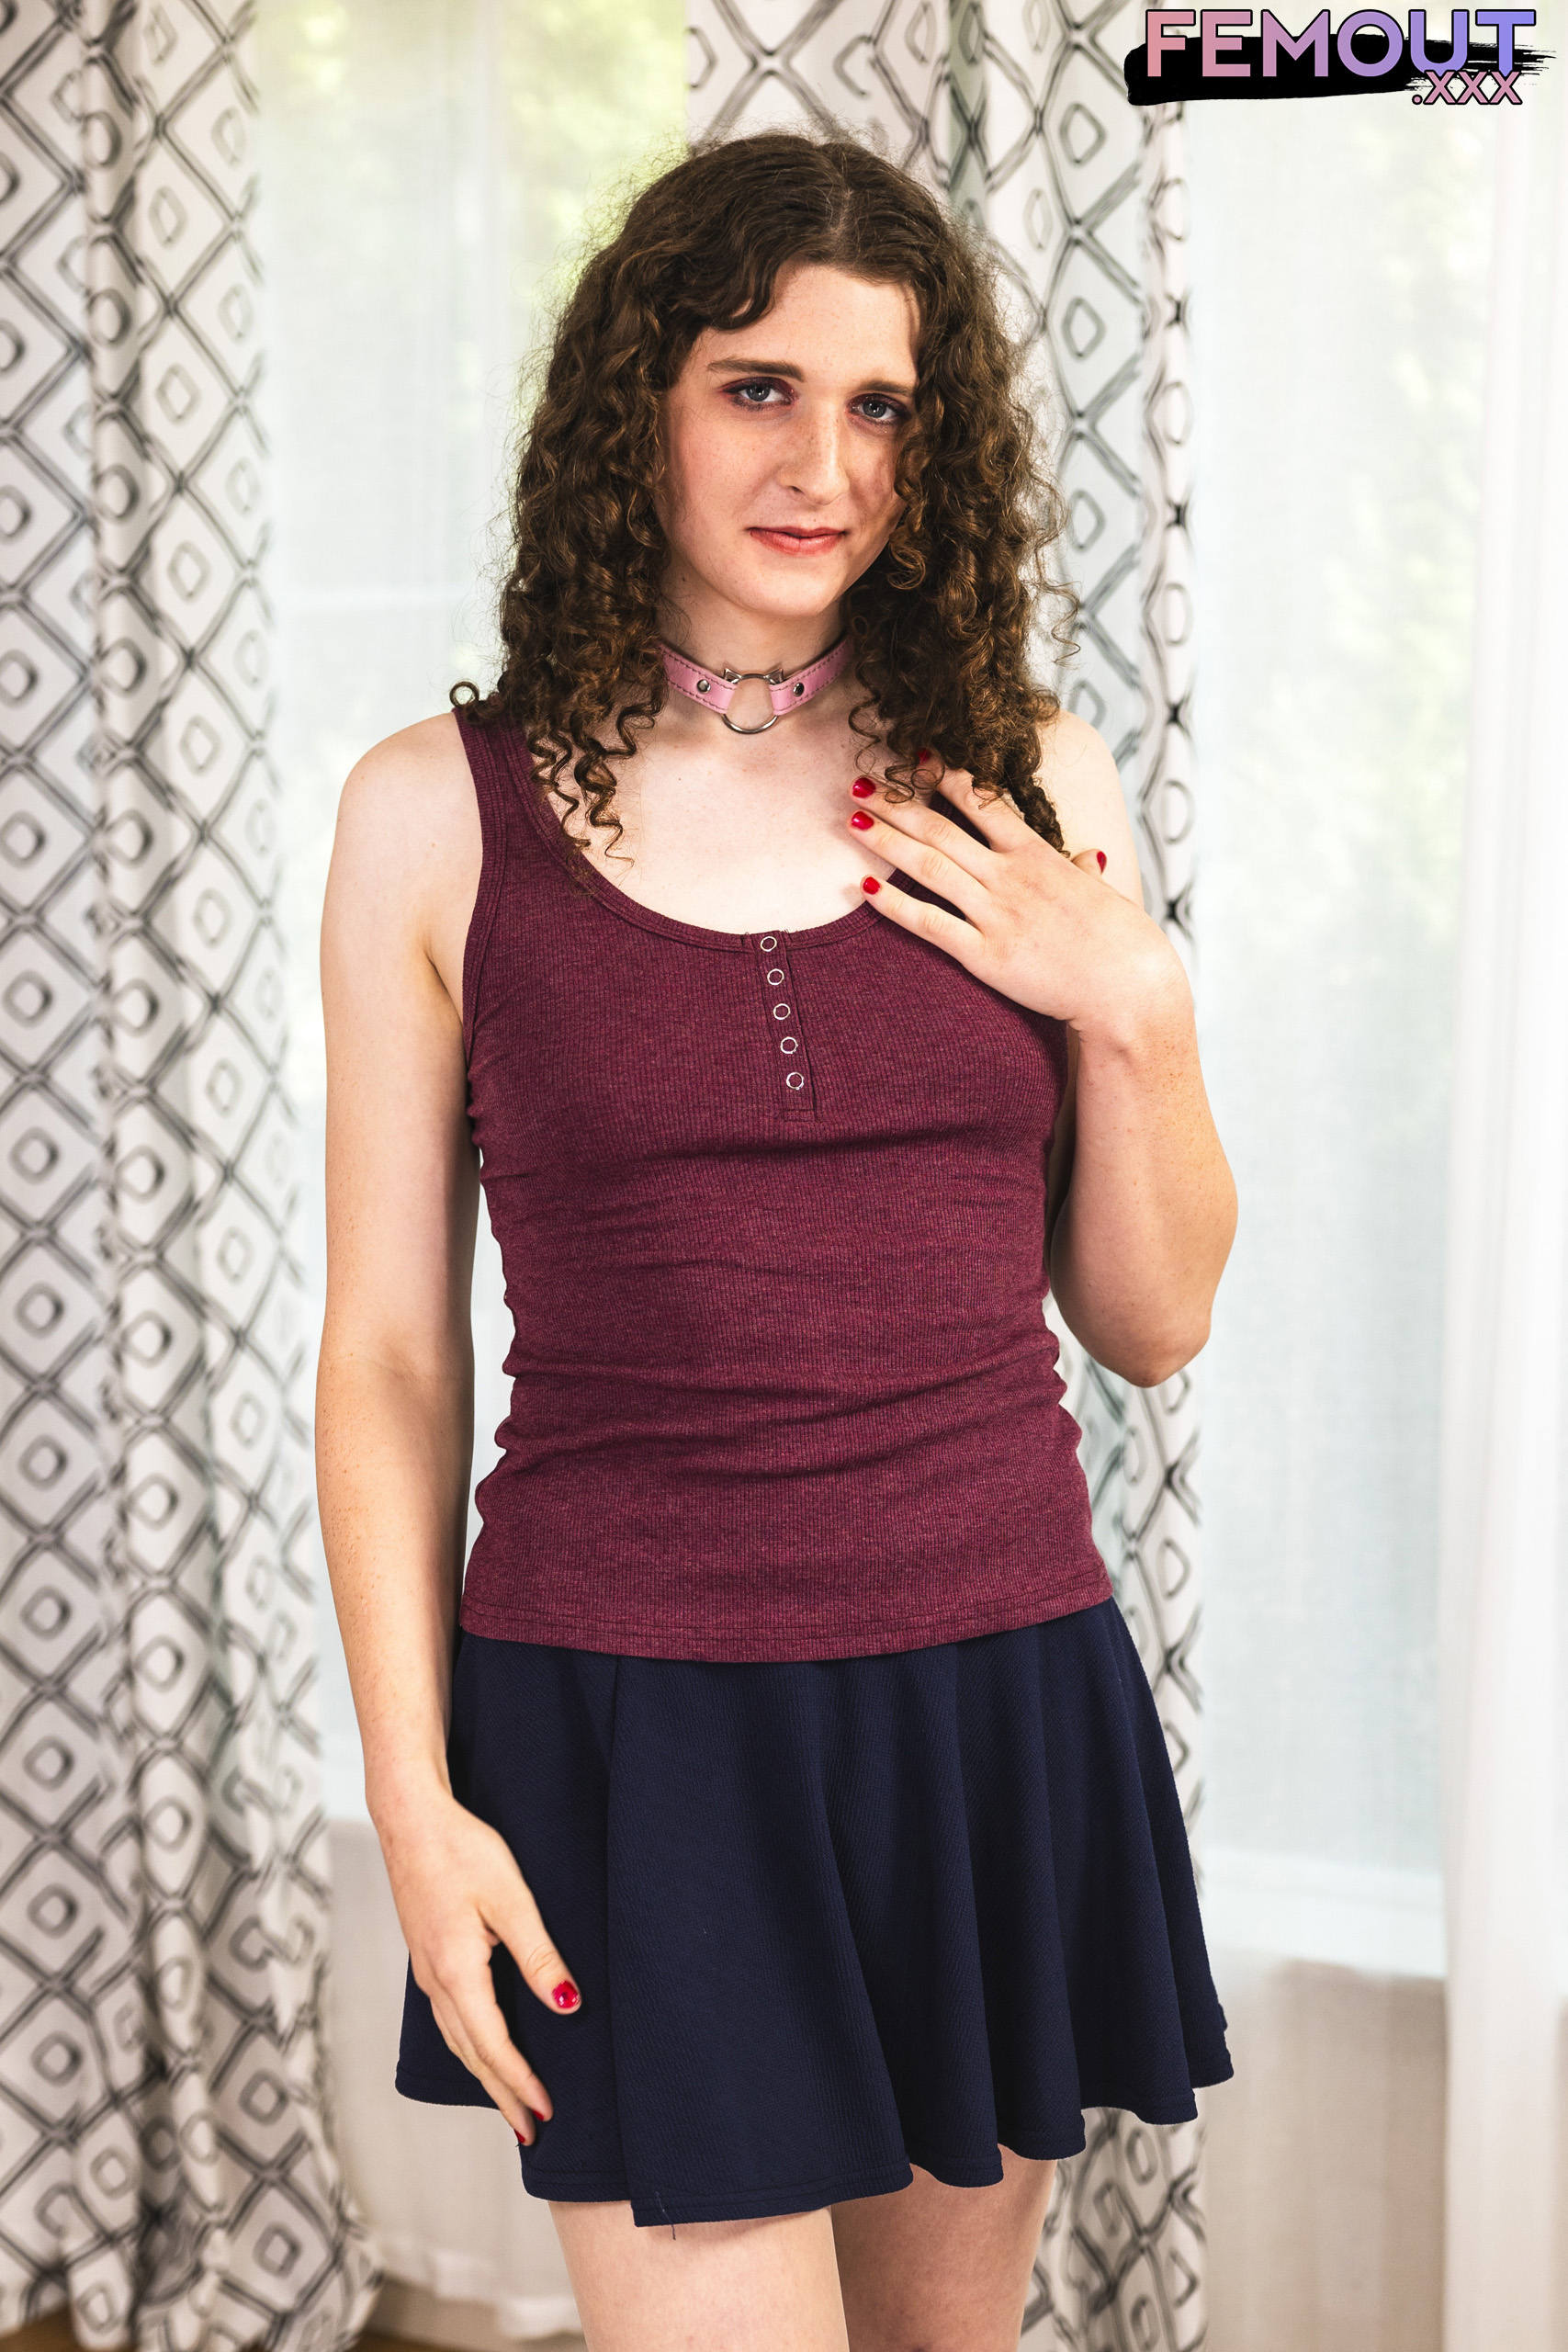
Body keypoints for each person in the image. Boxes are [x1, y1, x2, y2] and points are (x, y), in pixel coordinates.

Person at [317, 129, 1237, 2352]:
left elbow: (1148, 1319)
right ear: (636, 402)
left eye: (880, 404)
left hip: (987, 1694)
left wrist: (1136, 1000)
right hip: (630, 1728)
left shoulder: (1026, 780)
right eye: (757, 387)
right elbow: (390, 1356)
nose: (823, 465)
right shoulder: (432, 812)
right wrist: (415, 1801)